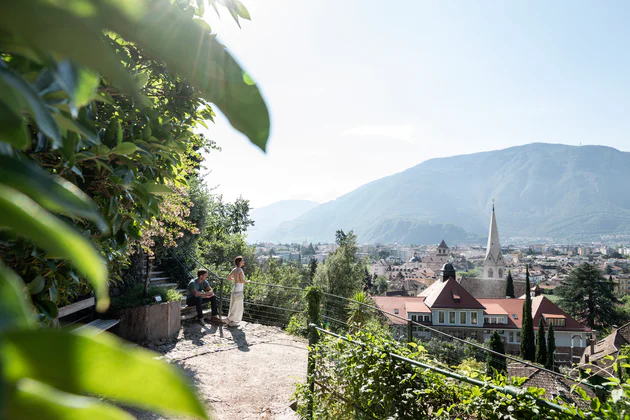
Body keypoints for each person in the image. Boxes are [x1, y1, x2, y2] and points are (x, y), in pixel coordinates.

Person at [226, 256, 248, 328]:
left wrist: (235, 281)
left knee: (233, 304)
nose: (243, 262)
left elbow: (228, 278)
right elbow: (242, 281)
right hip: (239, 289)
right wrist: (247, 281)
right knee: (237, 305)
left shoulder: (234, 269)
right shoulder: (240, 270)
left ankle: (230, 319)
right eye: (242, 260)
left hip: (235, 287)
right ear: (239, 262)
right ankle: (233, 321)